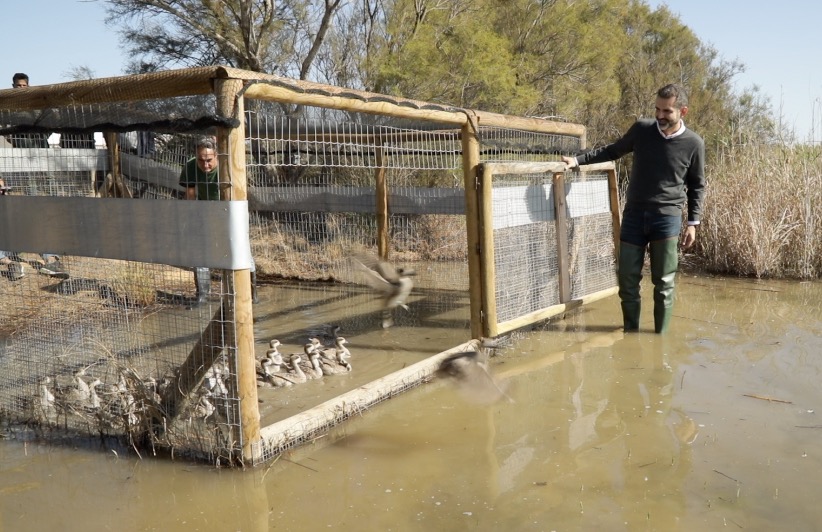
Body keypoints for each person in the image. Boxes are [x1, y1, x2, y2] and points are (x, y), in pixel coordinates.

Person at [562, 83, 706, 333]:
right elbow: (613, 151)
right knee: (627, 278)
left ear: (683, 111)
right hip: (634, 216)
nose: (660, 116)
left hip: (667, 218)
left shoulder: (694, 143)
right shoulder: (642, 130)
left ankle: (660, 340)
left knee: (664, 282)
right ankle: (631, 334)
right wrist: (577, 160)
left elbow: (697, 185)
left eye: (667, 111)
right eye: (657, 110)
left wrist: (693, 223)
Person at [3, 73, 70, 279]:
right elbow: (7, 131)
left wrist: (40, 139)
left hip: (43, 157)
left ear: (28, 85)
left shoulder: (36, 104)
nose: (21, 88)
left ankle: (51, 250)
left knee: (51, 198)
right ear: (12, 86)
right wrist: (17, 142)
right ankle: (44, 253)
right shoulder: (9, 107)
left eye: (24, 85)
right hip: (25, 161)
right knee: (32, 202)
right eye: (18, 85)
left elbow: (49, 124)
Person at [179, 137, 257, 304]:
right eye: (201, 160)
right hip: (204, 210)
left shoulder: (228, 166)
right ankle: (202, 295)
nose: (205, 165)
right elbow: (190, 195)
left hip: (230, 210)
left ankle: (251, 294)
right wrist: (191, 220)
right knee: (200, 252)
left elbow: (242, 192)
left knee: (241, 250)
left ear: (217, 156)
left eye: (209, 160)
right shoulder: (191, 166)